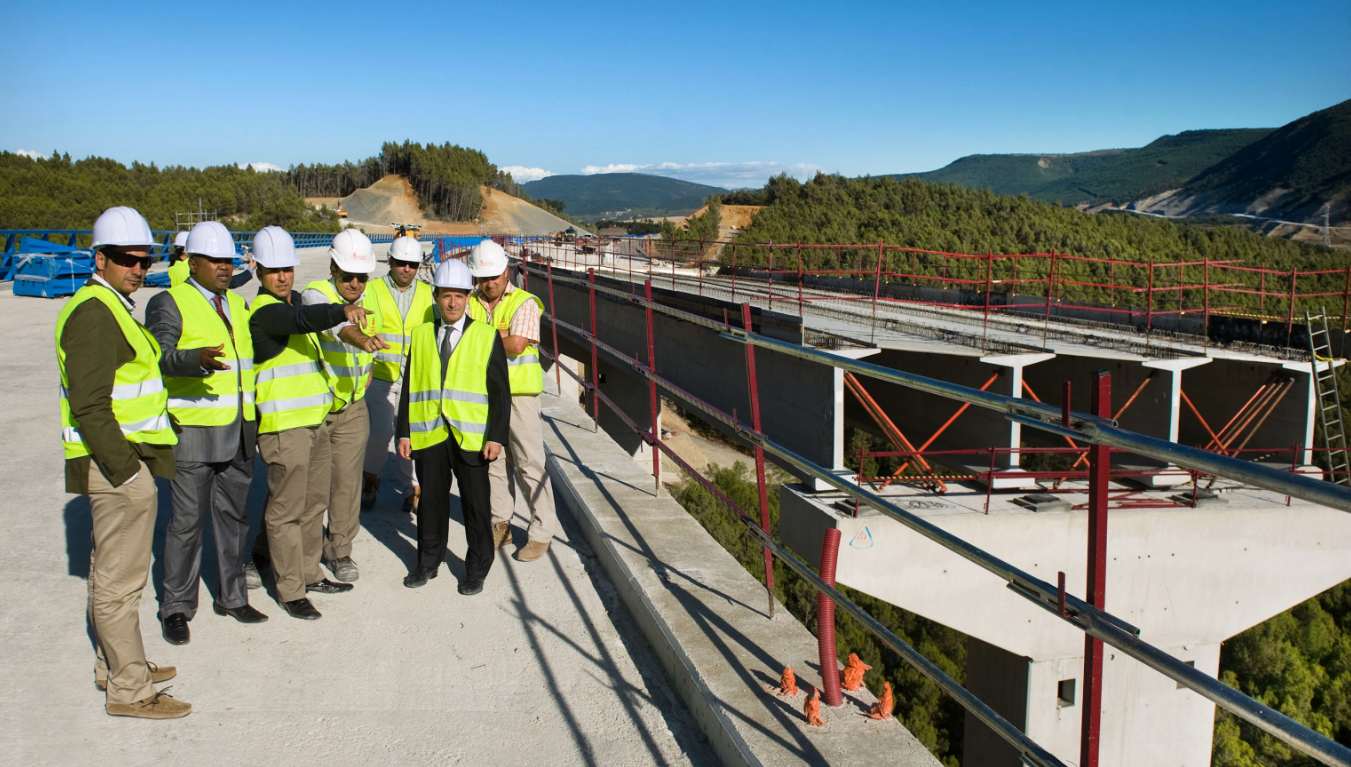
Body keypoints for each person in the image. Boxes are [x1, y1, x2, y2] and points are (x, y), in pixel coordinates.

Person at [56, 206, 189, 718]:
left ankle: (115, 665)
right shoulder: (94, 314)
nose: (137, 268)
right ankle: (130, 691)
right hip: (115, 466)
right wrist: (129, 472)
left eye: (144, 260)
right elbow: (90, 405)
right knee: (120, 582)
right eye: (126, 259)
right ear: (100, 258)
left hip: (120, 462)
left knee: (110, 574)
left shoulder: (109, 304)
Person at [147, 220, 267, 646]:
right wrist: (193, 359)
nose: (223, 267)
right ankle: (176, 606)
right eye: (214, 260)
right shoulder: (169, 302)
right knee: (186, 524)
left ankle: (233, 597)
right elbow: (159, 355)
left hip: (238, 430)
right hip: (194, 433)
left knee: (234, 519)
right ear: (192, 262)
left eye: (228, 261)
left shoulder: (237, 303)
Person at [248, 226, 372, 619]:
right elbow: (303, 319)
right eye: (273, 270)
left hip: (314, 422)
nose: (283, 277)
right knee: (286, 511)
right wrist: (340, 311)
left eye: (287, 269)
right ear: (257, 270)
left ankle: (309, 572)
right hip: (285, 427)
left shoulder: (293, 302)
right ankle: (290, 589)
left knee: (313, 504)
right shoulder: (266, 312)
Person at [396, 258, 510, 594]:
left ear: (468, 297)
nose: (452, 303)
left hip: (471, 436)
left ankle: (476, 569)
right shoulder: (420, 335)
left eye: (459, 296)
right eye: (446, 295)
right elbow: (410, 385)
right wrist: (404, 431)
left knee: (476, 506)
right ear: (436, 296)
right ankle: (427, 563)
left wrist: (496, 437)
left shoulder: (486, 336)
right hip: (430, 432)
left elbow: (500, 392)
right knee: (431, 503)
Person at [301, 229, 387, 583]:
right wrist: (362, 340)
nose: (354, 283)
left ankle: (339, 551)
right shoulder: (314, 294)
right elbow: (335, 325)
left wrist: (368, 368)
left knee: (347, 485)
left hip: (352, 407)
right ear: (333, 268)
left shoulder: (370, 297)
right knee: (309, 489)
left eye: (361, 277)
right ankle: (295, 556)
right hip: (317, 408)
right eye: (347, 275)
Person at [466, 240, 557, 562]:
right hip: (484, 394)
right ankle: (500, 524)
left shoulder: (524, 303)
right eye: (482, 278)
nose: (488, 283)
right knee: (493, 461)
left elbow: (517, 344)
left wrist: (475, 340)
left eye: (493, 276)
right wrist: (495, 338)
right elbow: (458, 336)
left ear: (506, 272)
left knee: (529, 463)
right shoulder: (471, 301)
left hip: (519, 395)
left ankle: (542, 533)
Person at [361, 235, 433, 513]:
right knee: (379, 435)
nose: (406, 269)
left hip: (414, 378)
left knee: (411, 436)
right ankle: (370, 479)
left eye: (412, 264)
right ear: (390, 261)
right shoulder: (372, 290)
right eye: (401, 263)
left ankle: (411, 488)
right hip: (380, 375)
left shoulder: (428, 293)